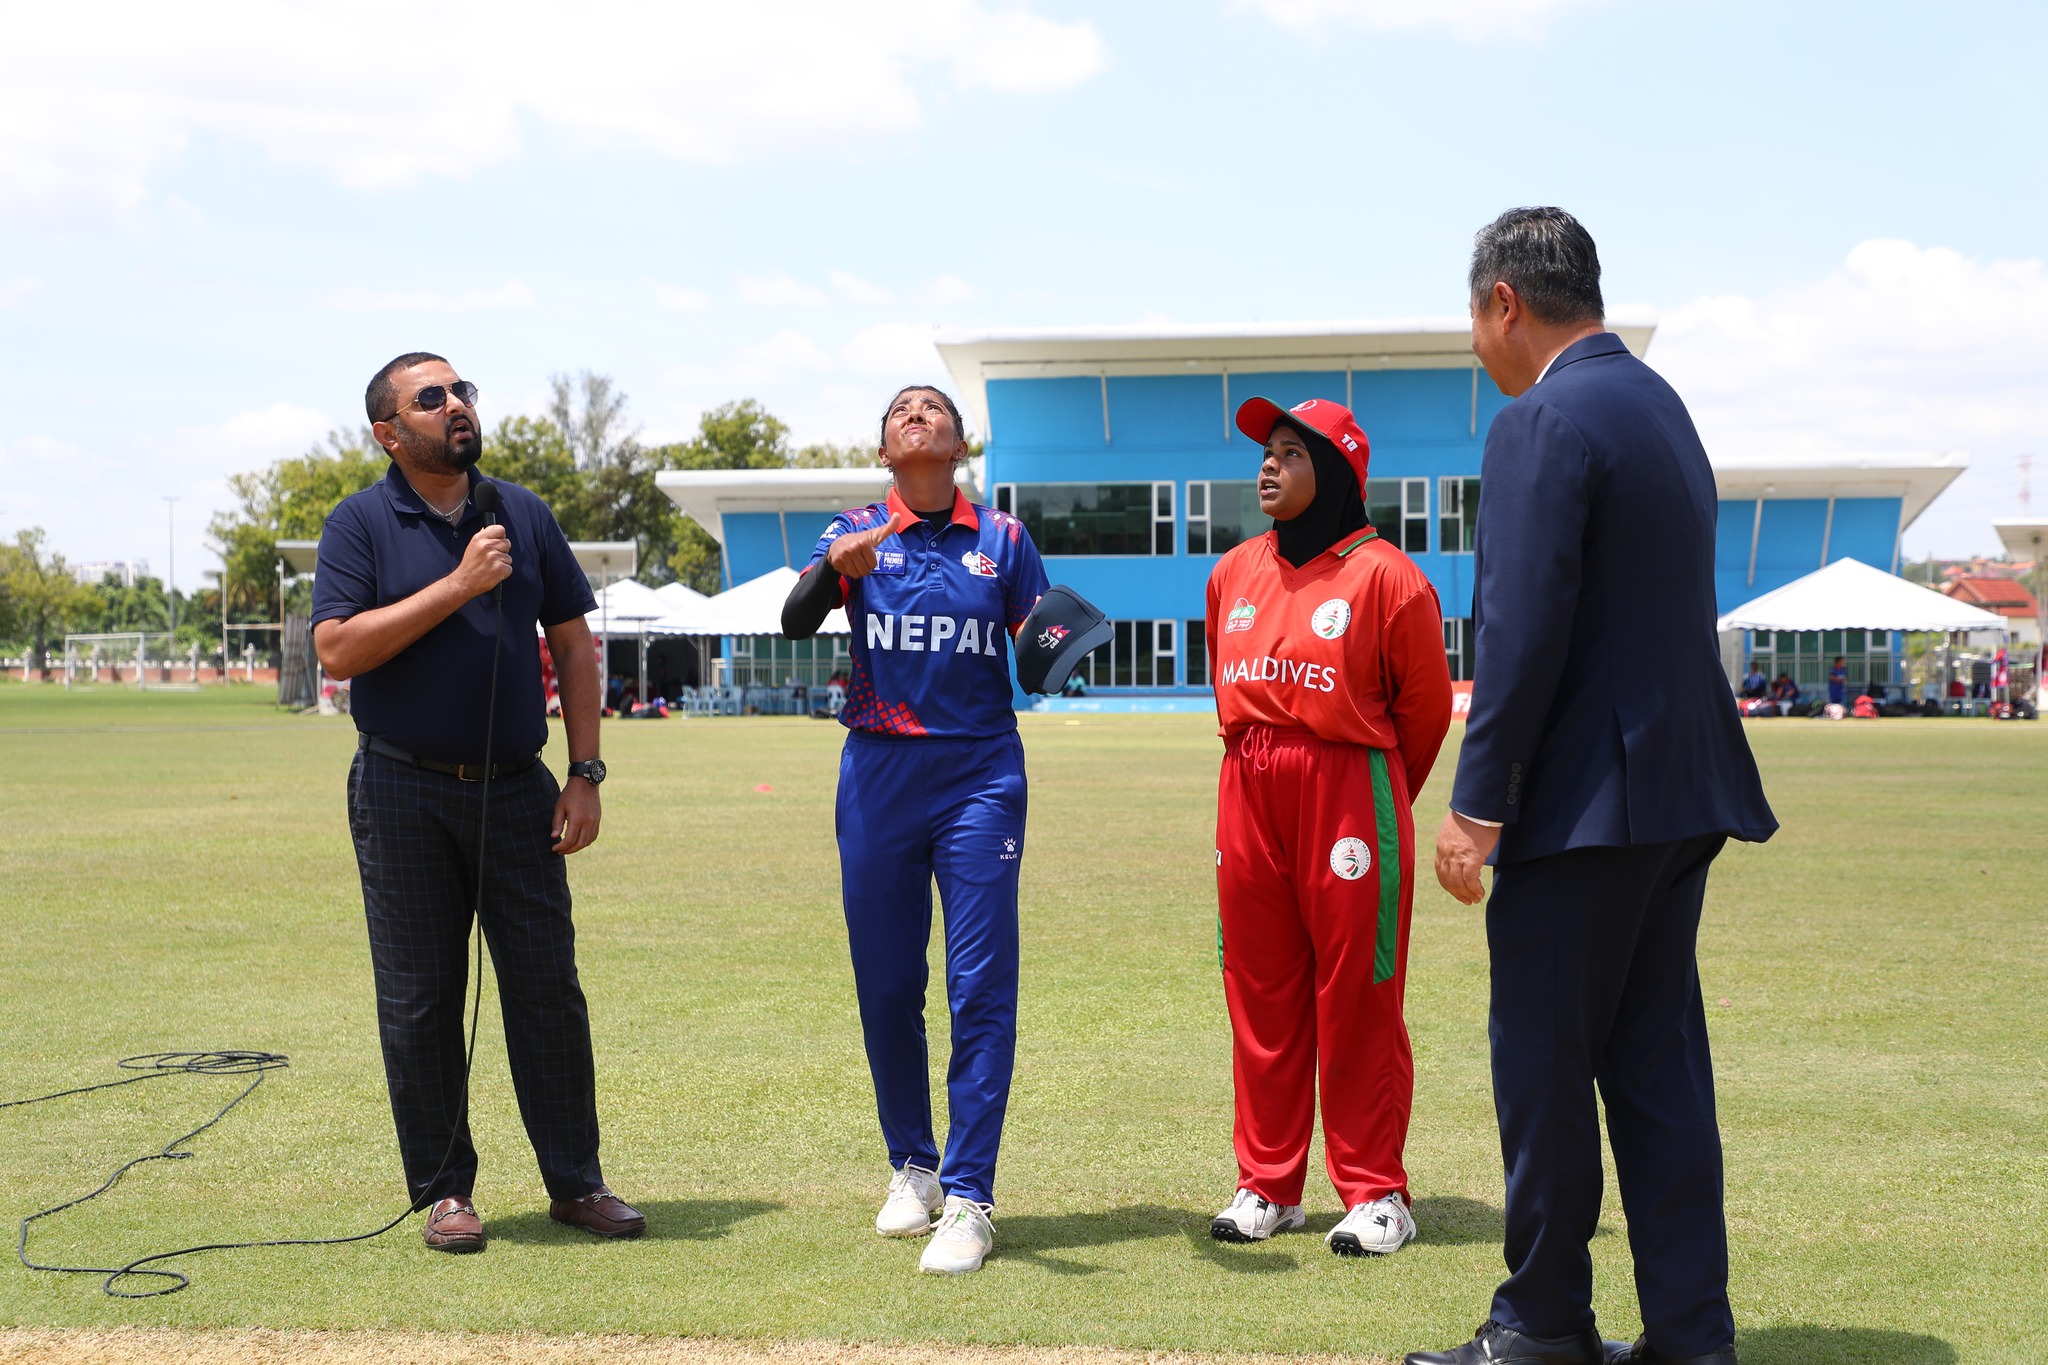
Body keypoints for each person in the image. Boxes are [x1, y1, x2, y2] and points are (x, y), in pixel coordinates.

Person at [1414, 211, 1777, 1365]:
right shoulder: (1659, 407)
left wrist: (1476, 805)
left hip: (1580, 809)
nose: (1476, 343)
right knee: (1656, 1073)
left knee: (1543, 1072)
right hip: (1676, 796)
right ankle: (1687, 1336)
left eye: (1473, 318)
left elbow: (1518, 627)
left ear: (1503, 303)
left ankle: (1540, 1326)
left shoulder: (1542, 418)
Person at [312, 352, 643, 1255]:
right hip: (401, 787)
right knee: (421, 999)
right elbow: (338, 650)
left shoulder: (521, 514)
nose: (456, 404)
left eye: (462, 391)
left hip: (518, 788)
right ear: (389, 433)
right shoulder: (359, 523)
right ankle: (445, 1192)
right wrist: (457, 584)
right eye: (432, 397)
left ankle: (576, 1183)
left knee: (547, 990)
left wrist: (585, 770)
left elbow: (573, 645)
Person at [781, 384, 1050, 1276]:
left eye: (934, 408)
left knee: (980, 985)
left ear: (959, 444)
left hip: (980, 774)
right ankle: (915, 1166)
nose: (917, 415)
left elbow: (1040, 656)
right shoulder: (855, 529)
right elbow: (794, 620)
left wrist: (1064, 639)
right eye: (901, 411)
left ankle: (970, 1196)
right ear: (885, 451)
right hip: (879, 772)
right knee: (889, 982)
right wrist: (834, 568)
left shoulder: (1004, 539)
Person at [1204, 395, 1451, 1257]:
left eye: (1292, 453)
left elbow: (1424, 714)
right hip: (1249, 786)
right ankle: (1268, 1184)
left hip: (1349, 788)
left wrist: (1369, 793)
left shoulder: (1389, 577)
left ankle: (1377, 1191)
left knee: (1358, 994)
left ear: (1340, 470)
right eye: (1266, 452)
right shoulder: (1232, 572)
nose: (1268, 466)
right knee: (1259, 990)